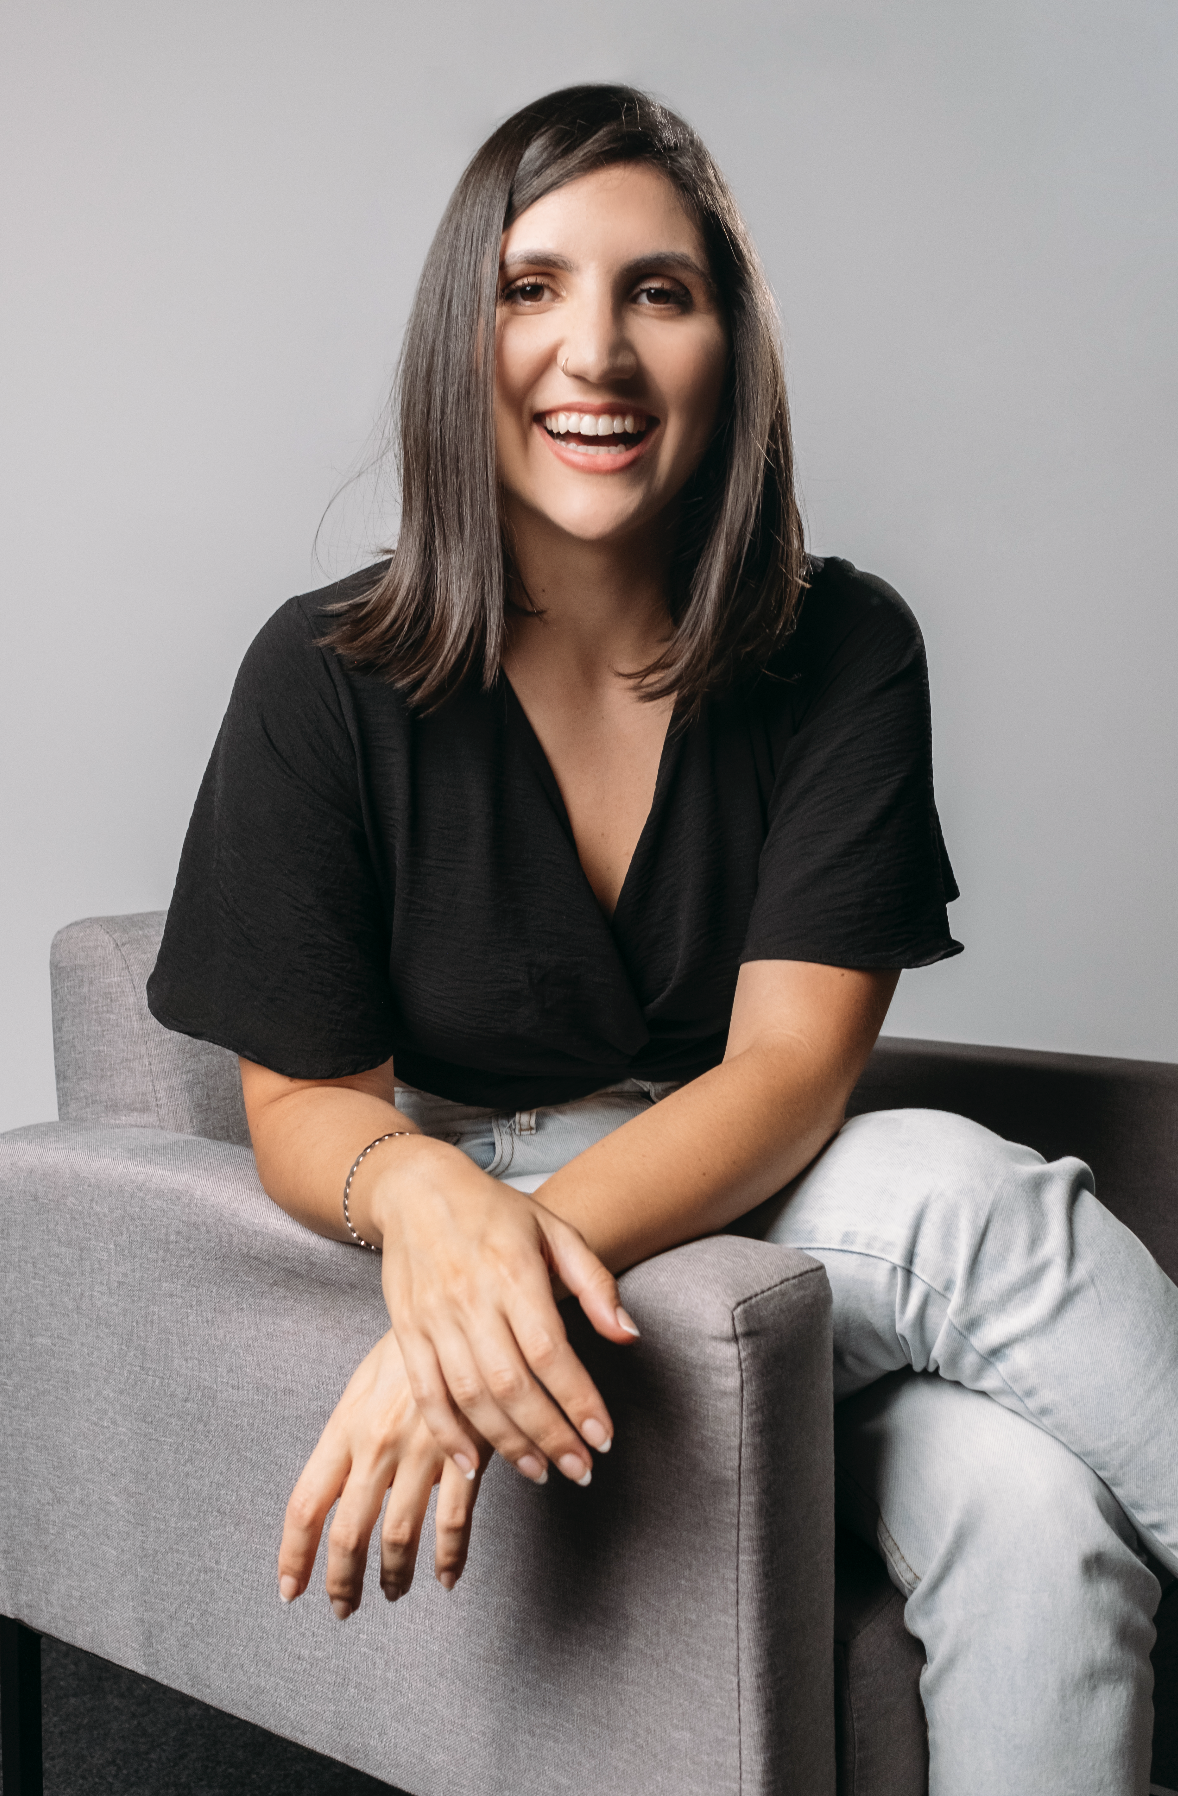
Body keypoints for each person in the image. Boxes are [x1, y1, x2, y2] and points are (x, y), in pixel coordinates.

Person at [147, 84, 1176, 1794]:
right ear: (456, 344)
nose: (595, 353)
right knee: (958, 1203)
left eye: (658, 292)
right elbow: (302, 1103)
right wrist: (444, 1233)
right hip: (492, 1245)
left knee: (1032, 1517)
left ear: (727, 349)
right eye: (531, 288)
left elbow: (787, 1071)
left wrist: (507, 1279)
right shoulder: (323, 676)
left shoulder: (842, 644)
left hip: (737, 1217)